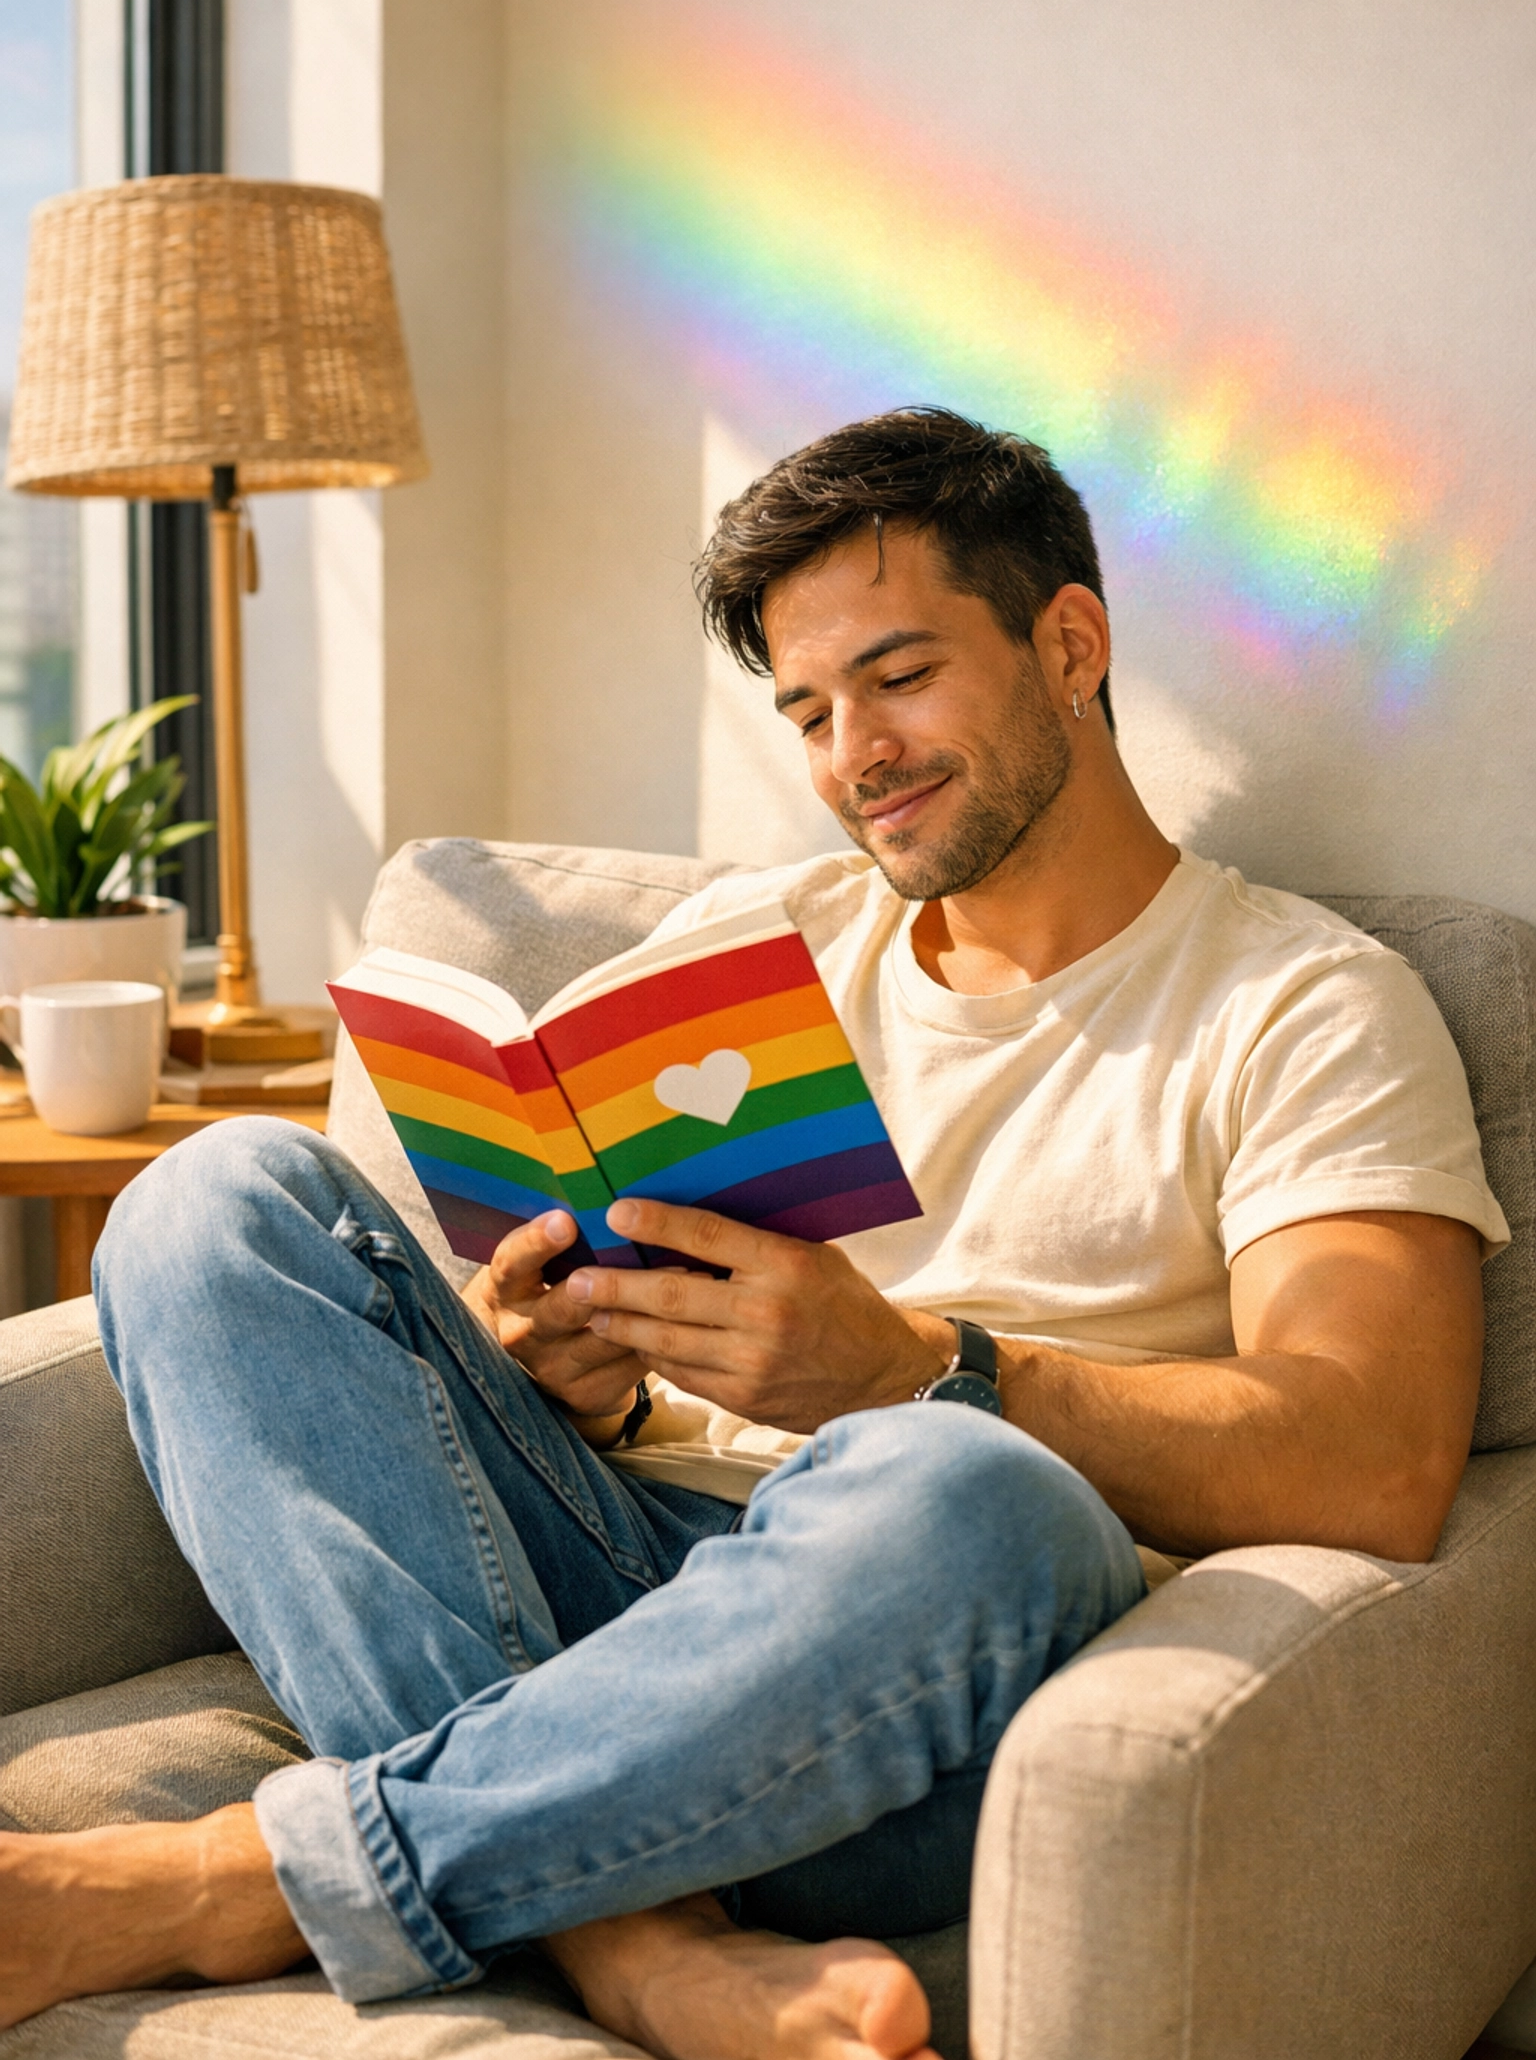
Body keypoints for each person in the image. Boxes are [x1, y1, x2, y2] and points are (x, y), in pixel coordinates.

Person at [0, 408, 1505, 2060]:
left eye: (901, 674)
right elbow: (593, 1311)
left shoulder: (1299, 1006)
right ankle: (637, 1945)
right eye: (808, 710)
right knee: (208, 1202)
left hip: (919, 1654)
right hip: (614, 1583)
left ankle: (220, 1879)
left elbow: (1376, 1459)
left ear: (1068, 643)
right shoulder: (754, 946)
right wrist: (574, 1371)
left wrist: (926, 1371)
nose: (854, 750)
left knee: (953, 1473)